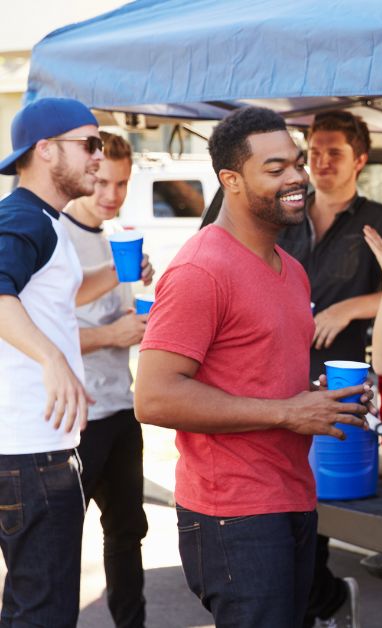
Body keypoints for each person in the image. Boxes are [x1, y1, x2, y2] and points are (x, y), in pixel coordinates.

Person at [134, 106, 371, 626]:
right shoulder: (201, 269)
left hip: (293, 495)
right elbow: (153, 397)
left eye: (296, 163)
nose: (296, 179)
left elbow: (258, 374)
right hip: (233, 513)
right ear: (231, 180)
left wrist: (319, 400)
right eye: (275, 168)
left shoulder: (290, 269)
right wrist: (288, 413)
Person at [0, 97, 151, 626]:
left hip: (37, 449)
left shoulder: (45, 220)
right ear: (44, 150)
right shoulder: (24, 216)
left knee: (28, 607)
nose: (97, 156)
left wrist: (118, 272)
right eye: (87, 144)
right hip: (32, 455)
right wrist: (53, 360)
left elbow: (60, 296)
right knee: (44, 614)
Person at [278, 110, 382, 628]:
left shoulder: (379, 219)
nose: (320, 162)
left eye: (333, 152)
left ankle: (326, 601)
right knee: (286, 507)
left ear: (360, 158)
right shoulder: (286, 208)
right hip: (274, 377)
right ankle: (322, 602)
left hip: (339, 381)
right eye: (313, 151)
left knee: (318, 504)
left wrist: (347, 308)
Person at [62, 131, 151, 628]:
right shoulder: (55, 236)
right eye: (101, 181)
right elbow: (29, 335)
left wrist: (140, 321)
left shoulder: (118, 237)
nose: (110, 194)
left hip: (122, 409)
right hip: (72, 420)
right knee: (56, 546)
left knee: (126, 535)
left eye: (121, 183)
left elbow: (123, 321)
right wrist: (113, 333)